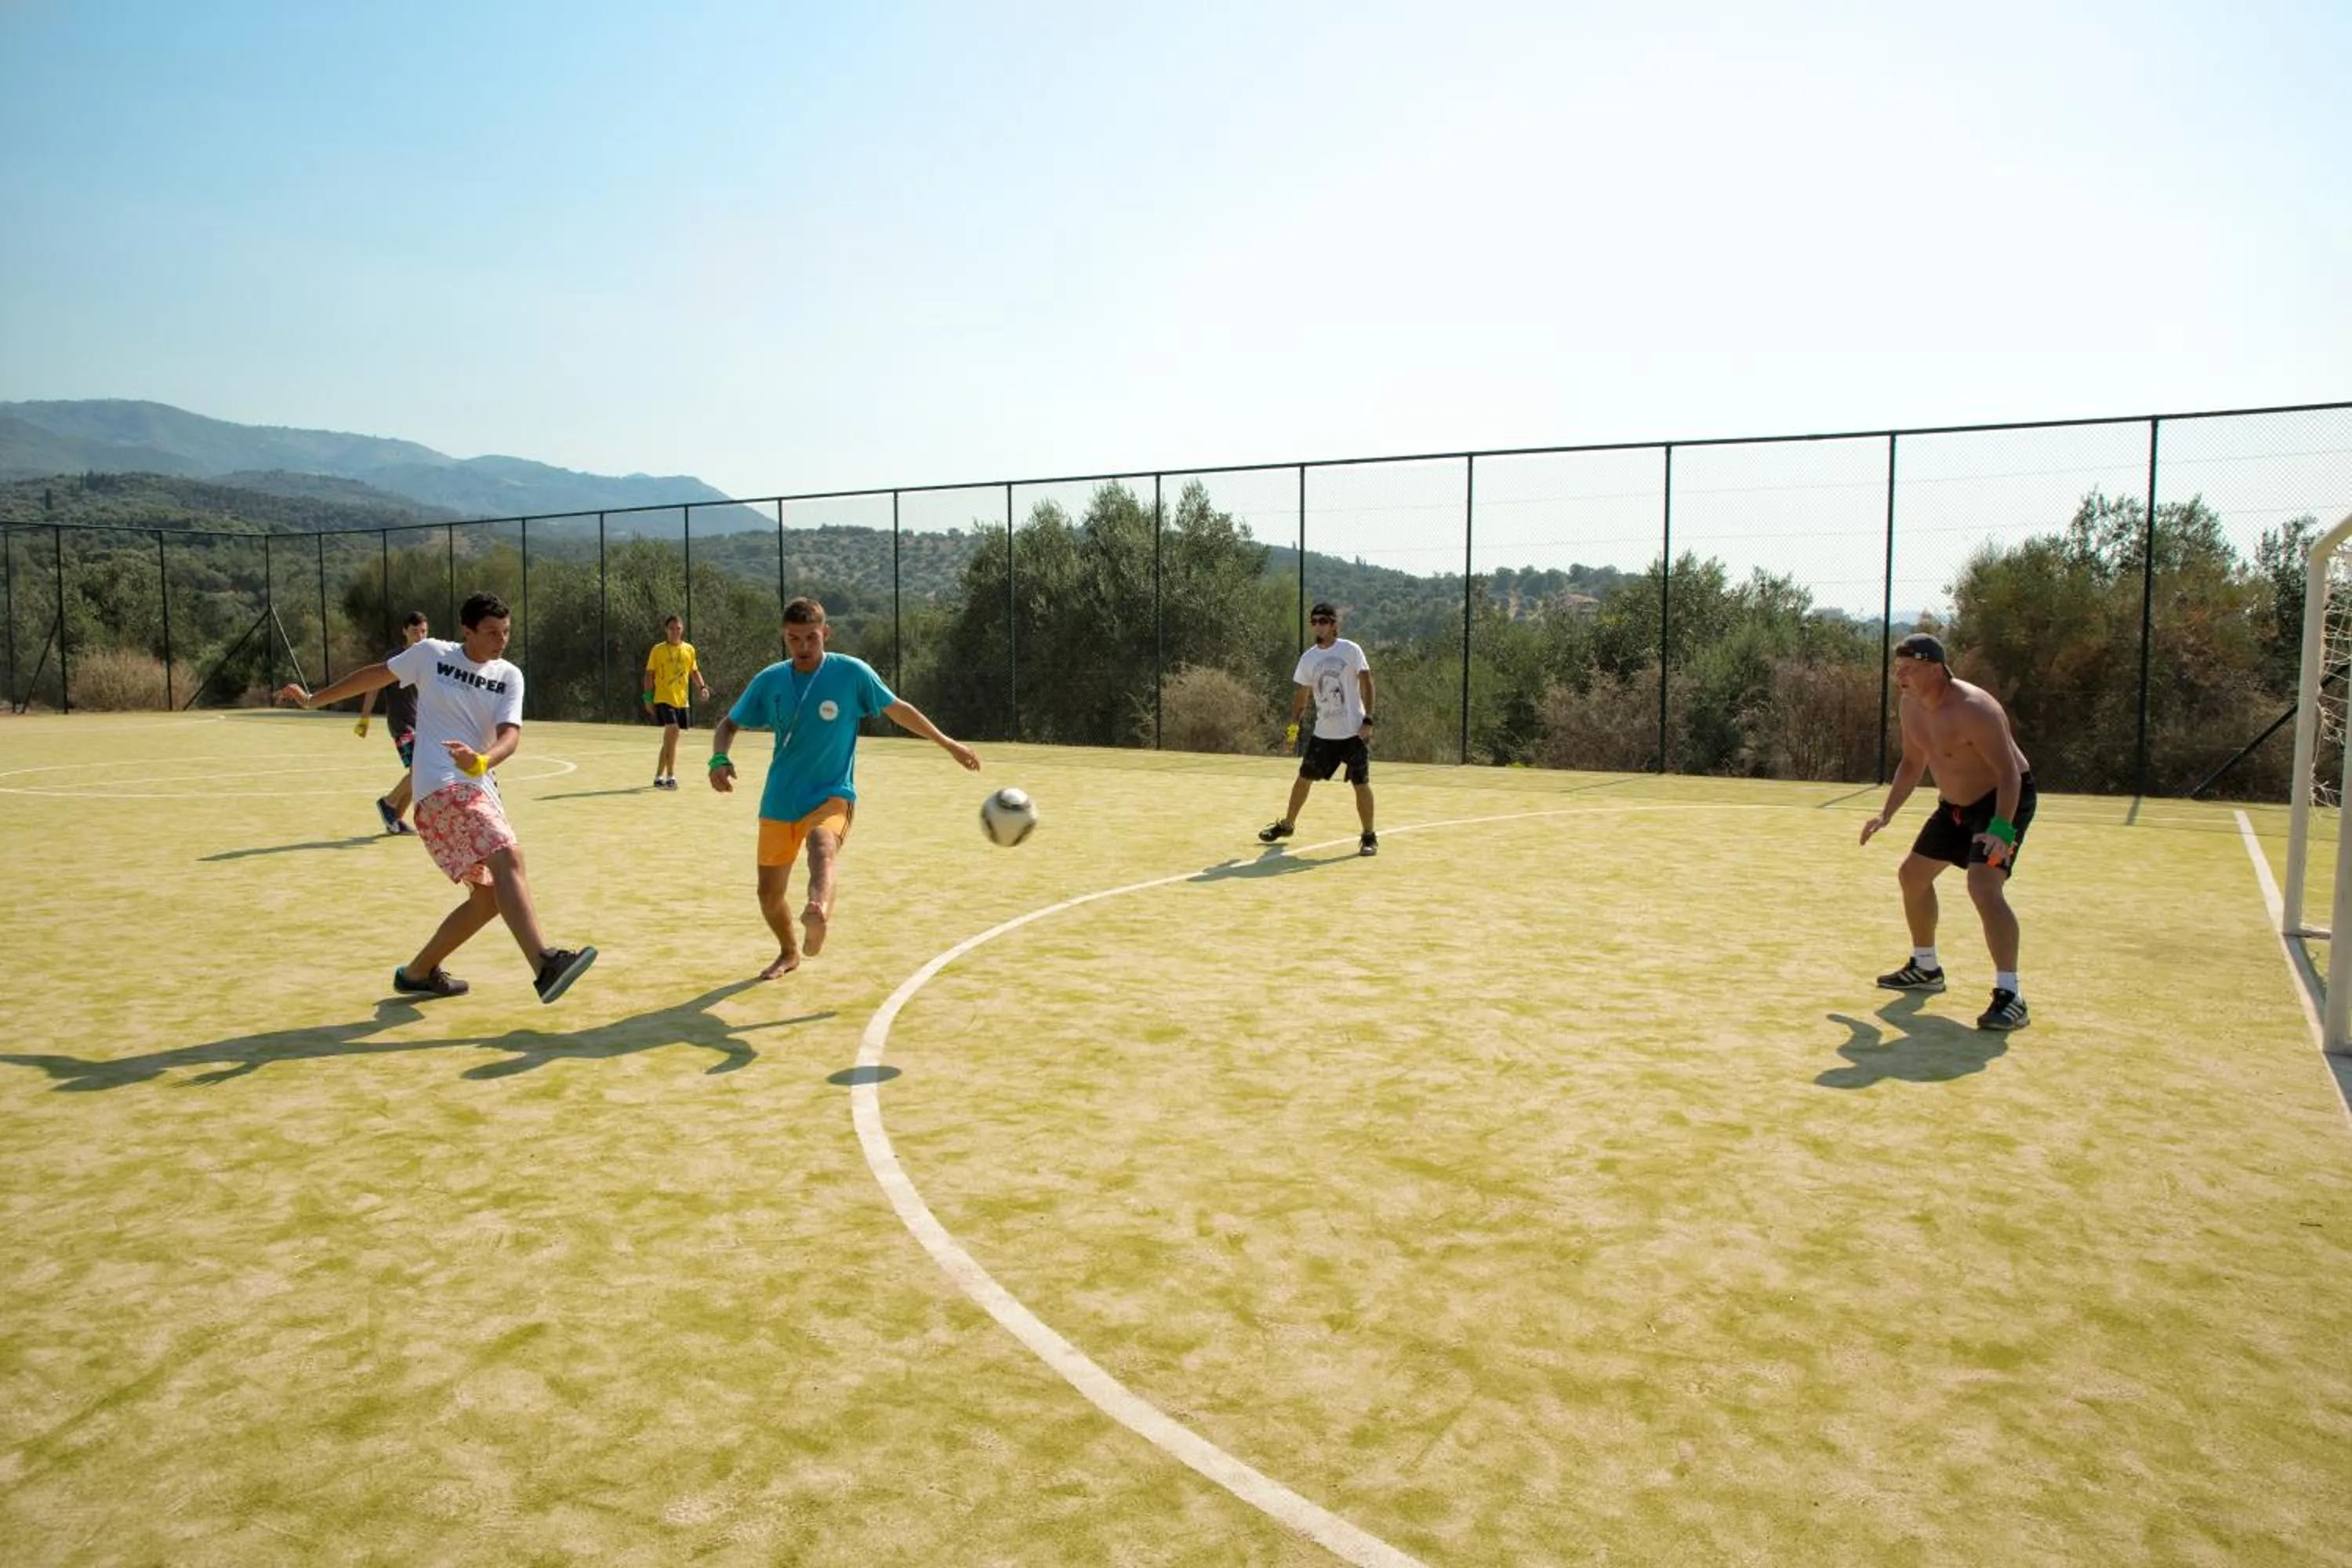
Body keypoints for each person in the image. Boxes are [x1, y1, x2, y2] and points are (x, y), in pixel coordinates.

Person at [277, 591, 597, 1004]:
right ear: (467, 631)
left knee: (489, 898)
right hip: (439, 789)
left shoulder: (509, 675)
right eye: (491, 632)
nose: (501, 640)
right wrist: (312, 700)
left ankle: (417, 973)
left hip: (478, 788)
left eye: (506, 632)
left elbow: (510, 736)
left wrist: (483, 761)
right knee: (508, 856)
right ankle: (544, 964)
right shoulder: (432, 654)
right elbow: (375, 676)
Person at [707, 596, 979, 979]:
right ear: (785, 637)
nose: (803, 647)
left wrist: (948, 744)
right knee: (768, 895)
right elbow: (728, 724)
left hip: (832, 794)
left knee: (822, 847)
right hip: (780, 800)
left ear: (826, 634)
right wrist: (719, 758)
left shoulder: (851, 674)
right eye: (794, 639)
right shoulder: (770, 680)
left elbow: (899, 709)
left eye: (811, 638)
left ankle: (817, 909)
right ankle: (789, 952)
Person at [1857, 632, 2037, 1031]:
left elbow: (2009, 774)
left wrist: (2002, 828)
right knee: (1912, 876)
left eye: (1909, 669)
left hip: (2001, 801)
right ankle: (1926, 968)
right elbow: (1912, 763)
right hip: (1954, 807)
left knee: (1983, 887)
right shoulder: (1910, 705)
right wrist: (1886, 813)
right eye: (1898, 668)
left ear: (1936, 669)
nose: (1900, 676)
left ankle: (2011, 996)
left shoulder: (1975, 709)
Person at [1258, 601, 1379, 856]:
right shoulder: (1309, 658)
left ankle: (1369, 836)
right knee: (1303, 779)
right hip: (1324, 735)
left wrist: (1368, 720)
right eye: (1314, 621)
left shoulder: (1351, 650)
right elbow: (1302, 698)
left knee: (1361, 783)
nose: (1318, 626)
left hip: (1353, 733)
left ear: (1334, 625)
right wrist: (1293, 732)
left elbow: (1367, 682)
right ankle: (1287, 825)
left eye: (1323, 621)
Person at [355, 610, 430, 833]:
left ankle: (395, 819)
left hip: (422, 725)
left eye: (424, 632)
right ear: (405, 631)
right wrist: (364, 719)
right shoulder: (394, 659)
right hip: (402, 725)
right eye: (415, 632)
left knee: (419, 774)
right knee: (421, 771)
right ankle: (388, 802)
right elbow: (373, 686)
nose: (420, 636)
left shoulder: (428, 657)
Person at [642, 613, 711, 789]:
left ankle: (658, 776)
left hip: (682, 701)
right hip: (664, 699)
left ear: (683, 630)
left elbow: (694, 671)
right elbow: (649, 674)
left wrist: (702, 687)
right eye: (671, 628)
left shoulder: (689, 649)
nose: (675, 632)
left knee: (670, 740)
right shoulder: (658, 650)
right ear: (666, 630)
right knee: (672, 730)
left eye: (678, 628)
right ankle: (671, 776)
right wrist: (648, 698)